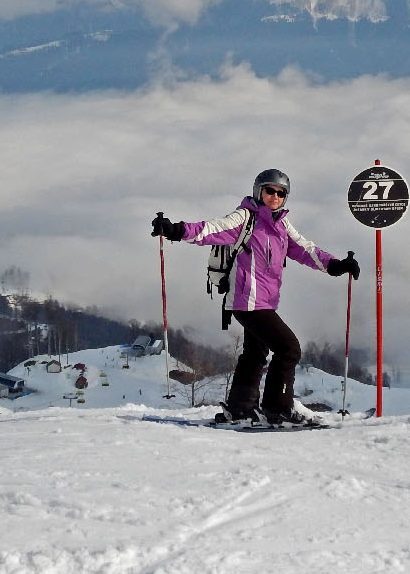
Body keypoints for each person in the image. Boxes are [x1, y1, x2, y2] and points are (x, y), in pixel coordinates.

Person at [152, 168, 360, 426]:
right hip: (247, 301)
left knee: (255, 352)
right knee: (288, 348)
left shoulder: (281, 224)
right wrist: (175, 230)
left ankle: (240, 408)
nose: (274, 196)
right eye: (269, 190)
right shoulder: (245, 218)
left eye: (280, 193)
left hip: (264, 302)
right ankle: (277, 408)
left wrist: (335, 265)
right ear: (258, 191)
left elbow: (306, 250)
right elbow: (211, 229)